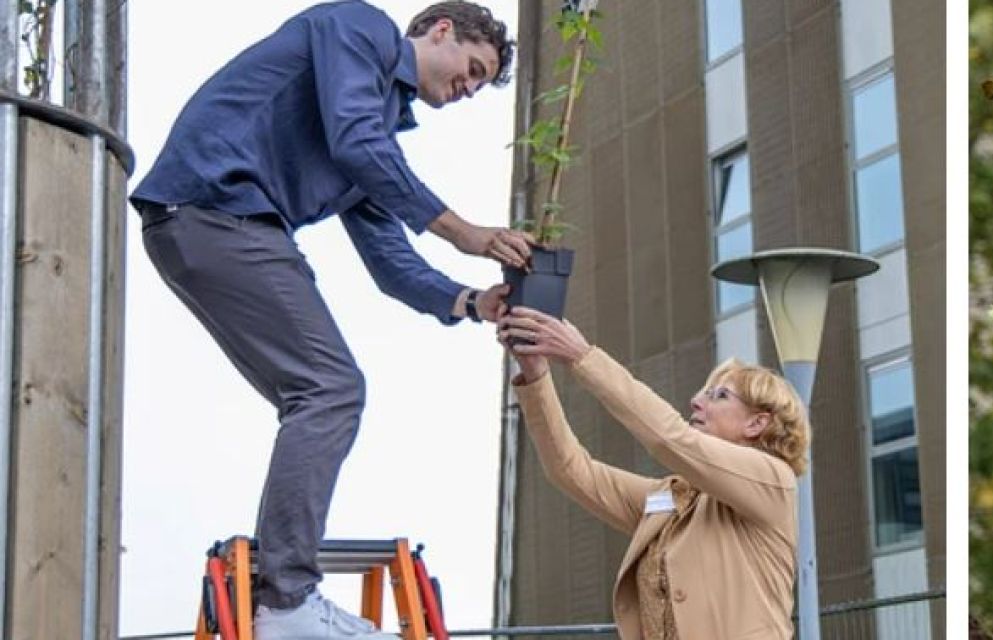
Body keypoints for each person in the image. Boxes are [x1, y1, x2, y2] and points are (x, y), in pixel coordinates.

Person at [131, 1, 529, 636]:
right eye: (472, 70)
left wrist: (470, 301)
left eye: (480, 86)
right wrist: (461, 232)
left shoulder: (373, 142)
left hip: (213, 228)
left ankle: (282, 597)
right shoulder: (359, 30)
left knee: (319, 393)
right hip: (215, 211)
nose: (468, 90)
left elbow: (390, 260)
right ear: (442, 30)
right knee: (331, 389)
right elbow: (355, 139)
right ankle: (285, 601)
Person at [499, 306, 806, 639]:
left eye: (719, 395)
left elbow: (670, 438)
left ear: (757, 423)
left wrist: (582, 357)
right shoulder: (671, 500)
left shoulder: (773, 480)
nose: (696, 401)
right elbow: (572, 470)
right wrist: (536, 375)